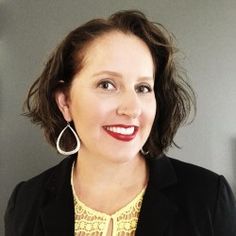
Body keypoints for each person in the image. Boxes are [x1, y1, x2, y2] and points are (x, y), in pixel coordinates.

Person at [4, 10, 236, 236]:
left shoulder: (208, 197)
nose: (132, 109)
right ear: (65, 101)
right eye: (107, 84)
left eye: (143, 88)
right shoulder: (25, 202)